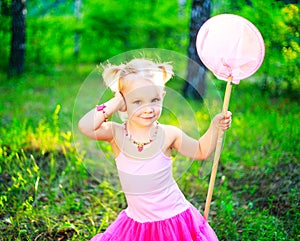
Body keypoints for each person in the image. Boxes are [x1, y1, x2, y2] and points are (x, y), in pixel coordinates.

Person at [78, 58, 232, 241]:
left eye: (154, 100)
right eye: (137, 101)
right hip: (138, 222)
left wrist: (215, 127)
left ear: (163, 96)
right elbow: (85, 126)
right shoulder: (116, 133)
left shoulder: (168, 134)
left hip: (174, 218)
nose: (148, 108)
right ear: (124, 103)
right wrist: (115, 102)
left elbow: (200, 150)